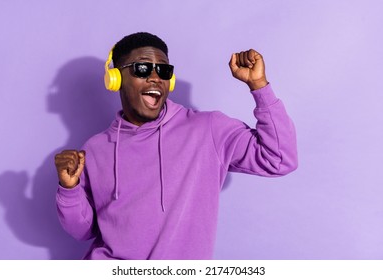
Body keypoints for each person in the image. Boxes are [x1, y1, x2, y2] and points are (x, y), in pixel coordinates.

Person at [54, 32, 298, 260]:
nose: (155, 77)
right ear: (115, 78)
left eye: (163, 70)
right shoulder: (96, 149)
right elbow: (82, 231)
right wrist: (69, 188)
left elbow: (279, 159)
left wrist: (259, 87)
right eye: (142, 68)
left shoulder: (207, 129)